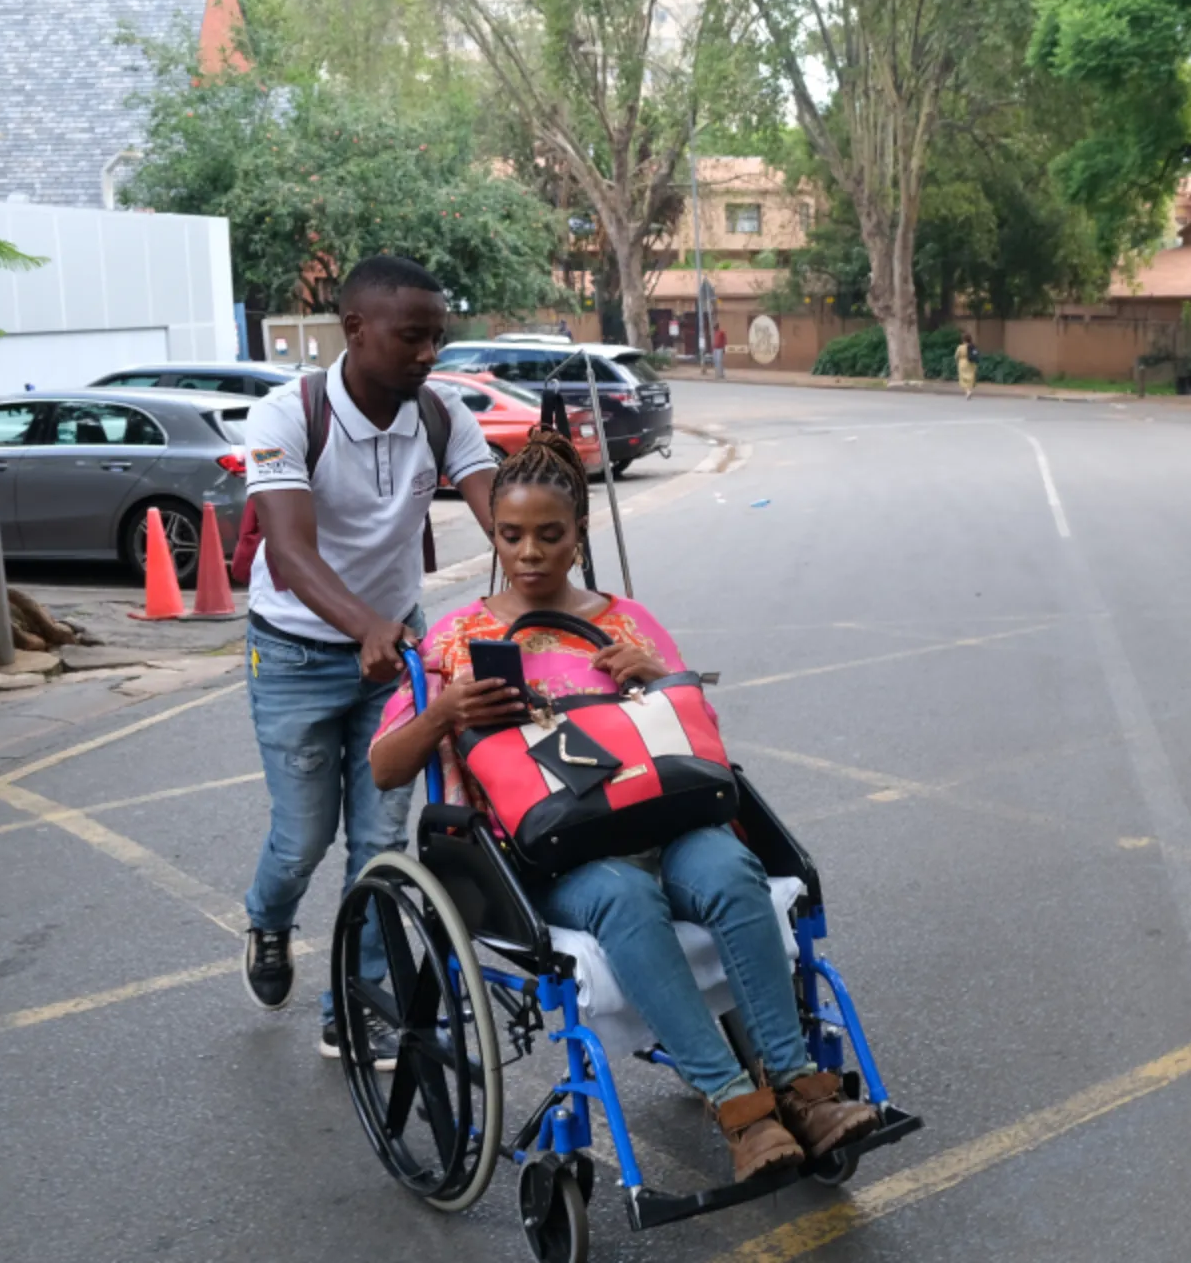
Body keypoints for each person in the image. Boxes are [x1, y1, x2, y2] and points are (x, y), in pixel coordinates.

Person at [368, 433, 882, 1182]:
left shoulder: (626, 620)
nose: (530, 552)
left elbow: (694, 736)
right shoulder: (458, 640)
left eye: (550, 534)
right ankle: (738, 1110)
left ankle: (802, 1089)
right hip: (549, 850)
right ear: (493, 535)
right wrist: (444, 710)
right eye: (511, 536)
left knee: (734, 871)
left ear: (580, 534)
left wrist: (663, 673)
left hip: (660, 816)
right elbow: (386, 767)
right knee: (627, 897)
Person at [239, 255, 500, 1064]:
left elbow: (506, 513)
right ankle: (269, 921)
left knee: (383, 842)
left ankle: (356, 1005)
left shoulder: (444, 415)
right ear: (354, 330)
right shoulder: (287, 417)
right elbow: (287, 548)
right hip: (293, 653)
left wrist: (547, 564)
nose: (428, 354)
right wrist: (365, 628)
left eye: (438, 338)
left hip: (397, 653)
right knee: (303, 836)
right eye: (411, 337)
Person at [957, 333, 980, 399]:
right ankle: (970, 390)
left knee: (963, 378)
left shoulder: (960, 347)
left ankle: (967, 391)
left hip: (963, 363)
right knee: (971, 377)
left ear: (963, 340)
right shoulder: (973, 346)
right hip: (972, 363)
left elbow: (957, 355)